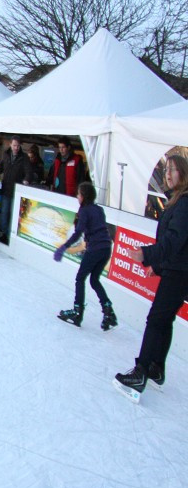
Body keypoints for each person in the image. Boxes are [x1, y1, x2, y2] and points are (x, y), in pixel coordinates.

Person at [114, 155, 188, 401]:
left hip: (180, 273)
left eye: (173, 170)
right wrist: (157, 266)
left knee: (156, 319)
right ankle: (156, 368)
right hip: (177, 269)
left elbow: (174, 241)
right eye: (167, 170)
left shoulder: (185, 203)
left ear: (184, 173)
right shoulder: (177, 200)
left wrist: (147, 255)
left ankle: (141, 372)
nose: (168, 174)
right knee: (163, 319)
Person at [53, 182, 115, 330]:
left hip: (95, 249)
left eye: (79, 194)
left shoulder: (85, 211)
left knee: (80, 278)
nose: (77, 196)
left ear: (84, 196)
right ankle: (108, 311)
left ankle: (77, 311)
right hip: (106, 248)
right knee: (94, 280)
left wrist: (64, 246)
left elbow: (78, 232)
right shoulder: (99, 209)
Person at [0, 137, 28, 242]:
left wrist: (26, 179)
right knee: (4, 212)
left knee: (13, 214)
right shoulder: (6, 155)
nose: (16, 148)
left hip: (16, 191)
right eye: (14, 145)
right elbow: (0, 168)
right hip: (6, 188)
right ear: (10, 144)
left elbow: (28, 171)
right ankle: (3, 232)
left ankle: (10, 235)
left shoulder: (24, 157)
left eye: (18, 146)